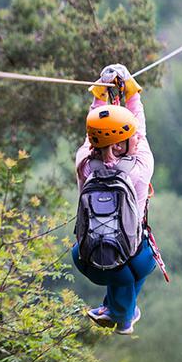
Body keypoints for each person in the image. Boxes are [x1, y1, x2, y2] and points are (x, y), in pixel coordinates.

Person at [71, 63, 157, 335]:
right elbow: (138, 129)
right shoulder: (140, 169)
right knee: (145, 260)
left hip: (87, 260)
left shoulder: (84, 164)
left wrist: (102, 92)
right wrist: (130, 92)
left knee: (121, 270)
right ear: (125, 141)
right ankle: (123, 315)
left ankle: (116, 310)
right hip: (132, 257)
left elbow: (93, 130)